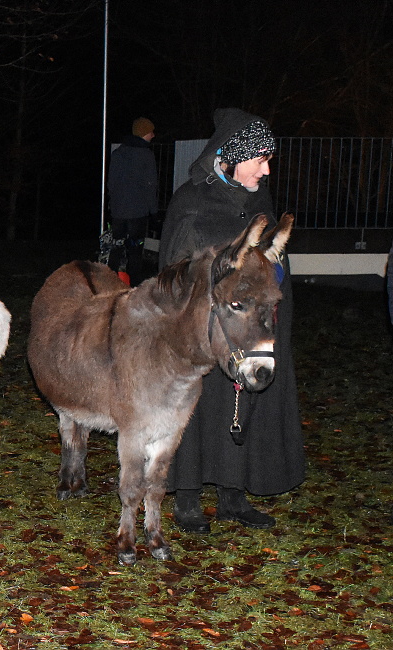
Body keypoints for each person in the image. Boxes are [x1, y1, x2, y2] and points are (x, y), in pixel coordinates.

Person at [158, 108, 305, 534]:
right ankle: (187, 499)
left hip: (252, 327)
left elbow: (273, 261)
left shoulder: (260, 202)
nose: (267, 168)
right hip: (208, 330)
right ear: (233, 157)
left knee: (247, 400)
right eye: (259, 158)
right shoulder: (191, 200)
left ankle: (233, 496)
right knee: (200, 406)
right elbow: (176, 268)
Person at [106, 116, 158, 285]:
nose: (153, 135)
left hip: (119, 212)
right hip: (138, 213)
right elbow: (150, 186)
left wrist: (113, 206)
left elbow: (111, 183)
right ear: (144, 133)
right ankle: (134, 284)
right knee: (135, 249)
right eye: (151, 132)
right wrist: (154, 212)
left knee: (117, 247)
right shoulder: (146, 155)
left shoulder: (118, 153)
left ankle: (111, 281)